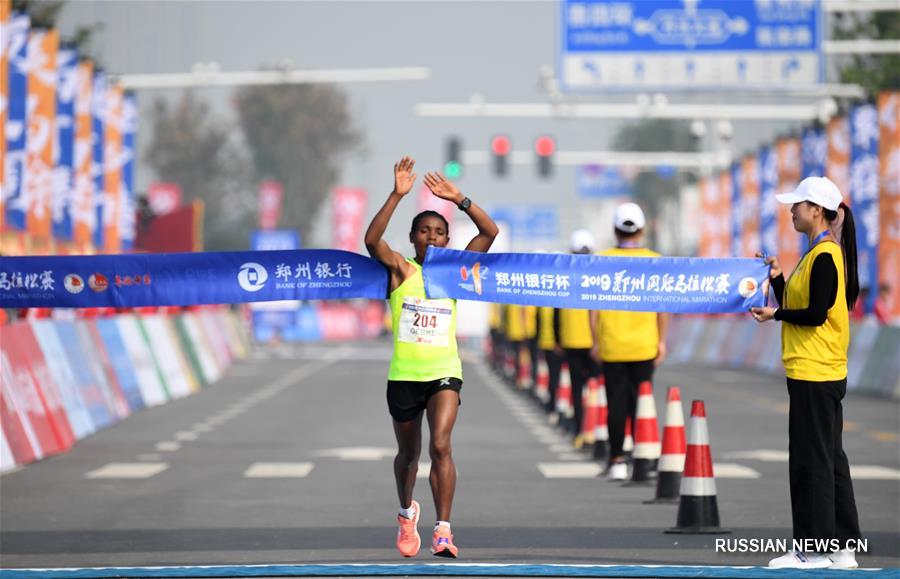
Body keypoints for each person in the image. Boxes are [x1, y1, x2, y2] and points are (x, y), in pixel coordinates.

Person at [364, 156, 498, 559]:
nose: (432, 237)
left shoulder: (454, 272)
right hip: (405, 375)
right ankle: (407, 514)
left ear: (446, 240)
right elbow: (372, 241)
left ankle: (443, 529)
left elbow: (489, 232)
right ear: (413, 238)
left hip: (444, 373)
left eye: (439, 232)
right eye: (424, 231)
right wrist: (396, 194)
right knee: (409, 455)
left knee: (441, 445)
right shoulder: (400, 271)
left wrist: (460, 199)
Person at [750, 176, 862, 570]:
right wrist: (779, 277)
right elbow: (803, 303)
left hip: (815, 371)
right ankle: (844, 548)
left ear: (816, 210)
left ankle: (813, 550)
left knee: (810, 462)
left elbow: (814, 315)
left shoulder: (826, 256)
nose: (791, 210)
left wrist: (775, 314)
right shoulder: (816, 255)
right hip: (818, 370)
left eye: (796, 204)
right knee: (830, 460)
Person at [589, 203, 668, 480]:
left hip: (612, 345)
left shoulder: (601, 260)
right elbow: (662, 307)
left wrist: (596, 341)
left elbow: (593, 307)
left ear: (614, 229)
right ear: (642, 229)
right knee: (641, 404)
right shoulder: (655, 260)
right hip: (644, 344)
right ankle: (642, 458)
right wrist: (661, 341)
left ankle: (617, 459)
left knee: (616, 404)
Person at [554, 229, 601, 445]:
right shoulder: (599, 277)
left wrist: (557, 339)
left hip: (571, 342)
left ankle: (580, 430)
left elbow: (555, 312)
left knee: (576, 388)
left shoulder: (564, 277)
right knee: (596, 389)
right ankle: (597, 430)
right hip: (594, 344)